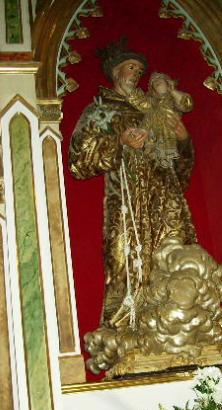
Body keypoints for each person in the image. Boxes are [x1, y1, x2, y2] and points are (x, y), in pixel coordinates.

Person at [69, 39, 196, 329]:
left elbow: (180, 165)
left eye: (140, 71)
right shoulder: (101, 109)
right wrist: (120, 141)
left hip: (165, 198)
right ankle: (129, 327)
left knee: (175, 255)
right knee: (128, 260)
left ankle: (177, 320)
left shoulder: (153, 108)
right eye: (131, 68)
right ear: (116, 72)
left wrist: (183, 139)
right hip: (128, 202)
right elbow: (79, 158)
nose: (136, 75)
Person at [127, 71, 193, 168]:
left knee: (167, 154)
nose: (156, 81)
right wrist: (129, 91)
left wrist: (172, 91)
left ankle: (166, 164)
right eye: (154, 82)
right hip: (152, 132)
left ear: (168, 83)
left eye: (160, 80)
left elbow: (186, 104)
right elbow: (141, 103)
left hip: (169, 130)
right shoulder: (152, 102)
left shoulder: (172, 100)